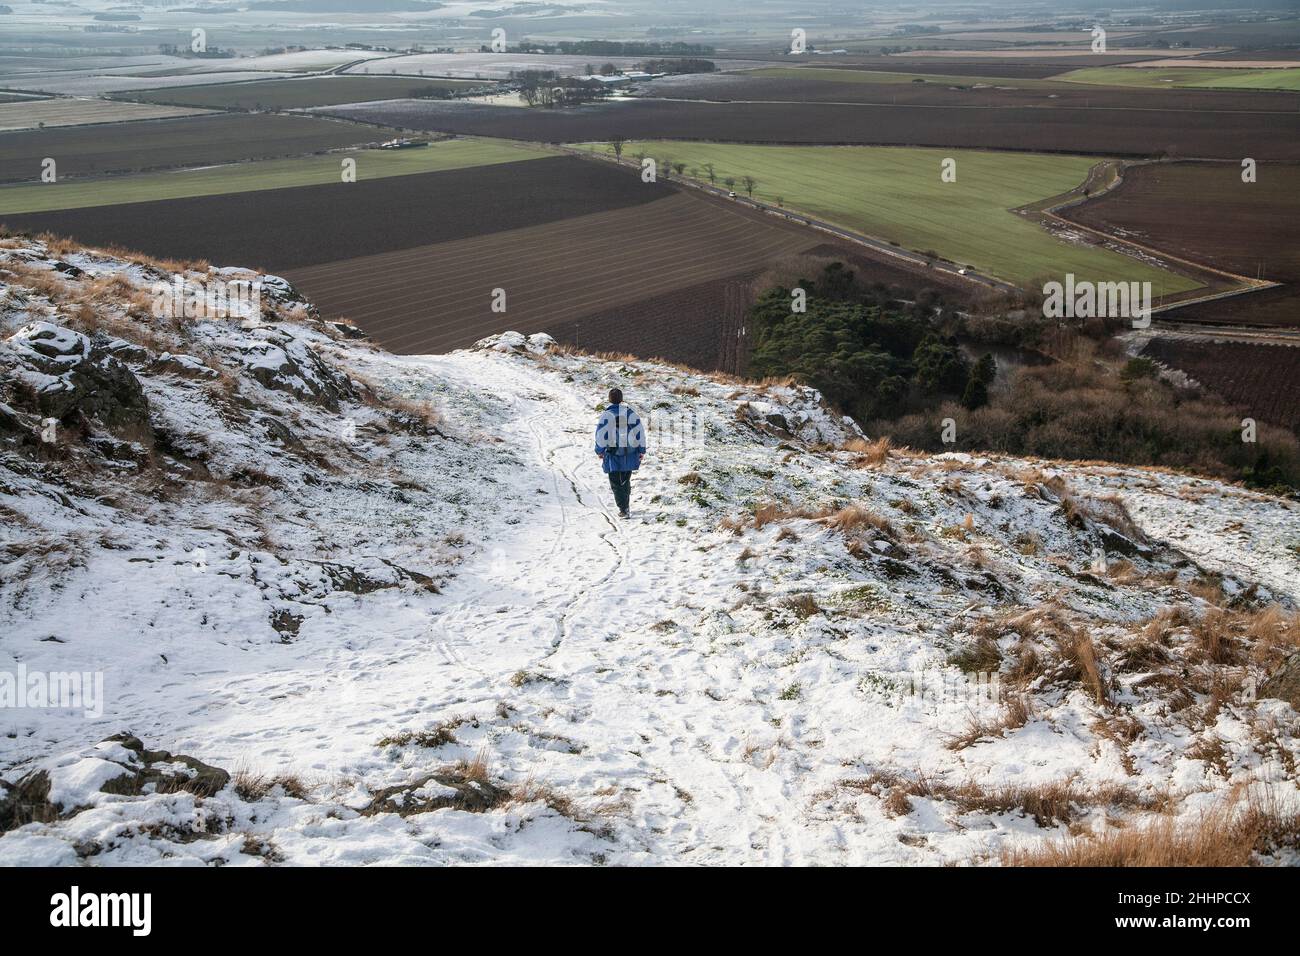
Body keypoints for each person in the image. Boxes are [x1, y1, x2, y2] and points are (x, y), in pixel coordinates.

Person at [594, 387, 647, 518]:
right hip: (630, 452)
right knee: (625, 479)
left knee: (615, 482)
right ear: (622, 399)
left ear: (609, 400)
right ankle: (625, 506)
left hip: (612, 454)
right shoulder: (630, 414)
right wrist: (641, 450)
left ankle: (623, 509)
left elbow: (601, 435)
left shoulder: (606, 415)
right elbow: (640, 432)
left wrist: (599, 450)